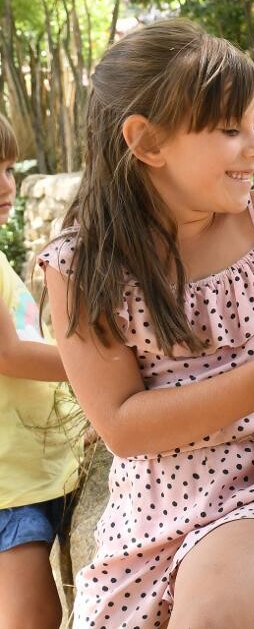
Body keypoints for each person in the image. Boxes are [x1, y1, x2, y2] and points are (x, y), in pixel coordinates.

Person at [39, 19, 254, 628]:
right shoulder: (83, 266)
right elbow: (124, 428)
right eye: (230, 130)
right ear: (147, 142)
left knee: (210, 620)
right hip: (147, 514)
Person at [0, 113, 82, 629]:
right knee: (32, 616)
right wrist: (98, 371)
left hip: (37, 472)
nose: (5, 185)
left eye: (7, 168)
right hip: (11, 487)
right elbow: (6, 354)